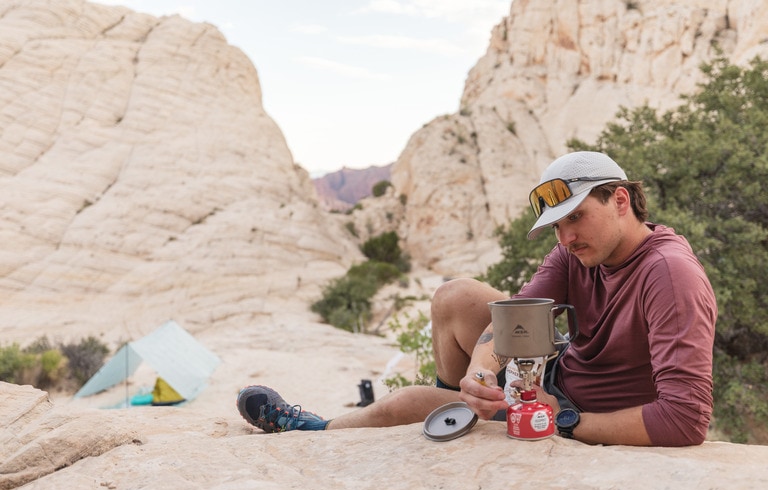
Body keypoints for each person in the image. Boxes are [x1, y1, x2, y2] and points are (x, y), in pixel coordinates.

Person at [237, 151, 717, 447]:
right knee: (455, 296)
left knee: (401, 404)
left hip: (584, 414)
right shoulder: (577, 254)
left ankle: (316, 433)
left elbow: (685, 419)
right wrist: (481, 372)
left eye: (577, 218)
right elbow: (513, 321)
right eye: (557, 226)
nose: (566, 237)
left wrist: (565, 420)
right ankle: (460, 406)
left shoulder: (668, 274)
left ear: (620, 200)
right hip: (557, 380)